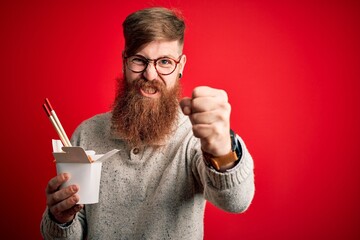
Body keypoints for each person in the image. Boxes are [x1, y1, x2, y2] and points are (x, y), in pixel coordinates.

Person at [40, 7, 255, 239]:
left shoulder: (194, 137)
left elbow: (236, 202)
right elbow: (71, 232)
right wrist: (60, 219)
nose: (150, 75)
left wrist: (223, 147)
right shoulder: (86, 134)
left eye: (164, 62)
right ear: (125, 61)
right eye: (139, 60)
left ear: (180, 65)